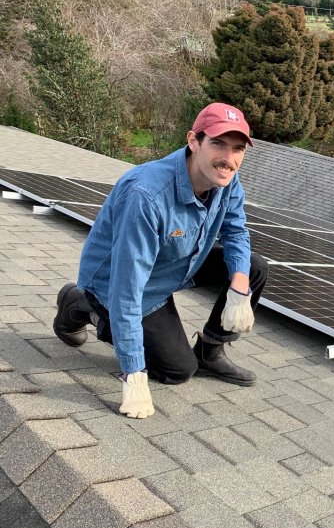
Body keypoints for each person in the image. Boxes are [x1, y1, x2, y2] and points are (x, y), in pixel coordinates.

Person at [53, 102, 268, 420]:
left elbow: (236, 232)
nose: (228, 158)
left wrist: (239, 283)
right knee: (177, 371)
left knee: (252, 268)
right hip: (121, 284)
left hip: (174, 266)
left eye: (238, 148)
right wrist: (133, 374)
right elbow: (127, 290)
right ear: (194, 141)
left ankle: (211, 352)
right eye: (218, 143)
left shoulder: (227, 179)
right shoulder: (148, 196)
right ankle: (82, 304)